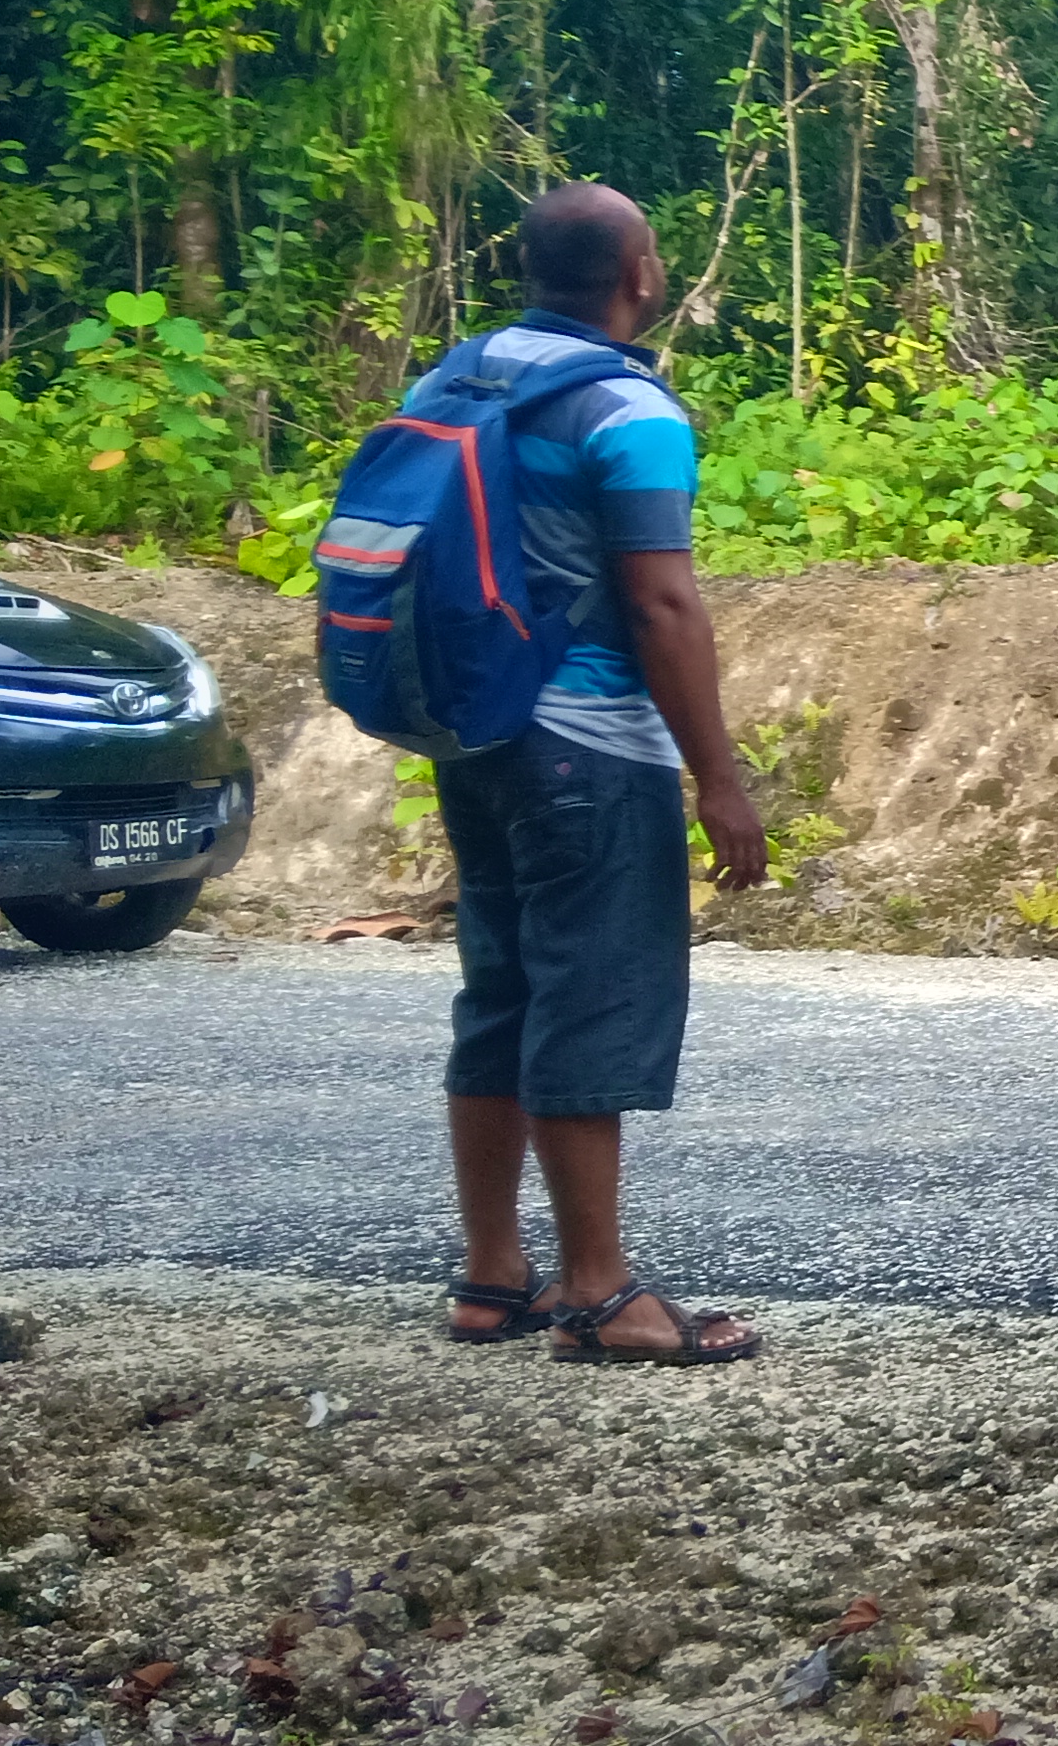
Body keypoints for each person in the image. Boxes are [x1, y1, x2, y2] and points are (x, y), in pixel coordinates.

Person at [421, 183, 770, 1364]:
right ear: (639, 275)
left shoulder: (459, 379)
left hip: (477, 736)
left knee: (501, 994)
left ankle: (491, 1275)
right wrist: (718, 779)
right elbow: (661, 602)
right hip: (590, 745)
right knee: (591, 997)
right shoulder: (627, 407)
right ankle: (600, 1293)